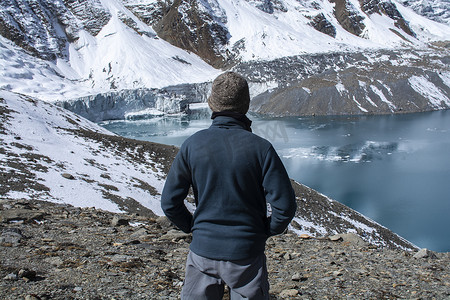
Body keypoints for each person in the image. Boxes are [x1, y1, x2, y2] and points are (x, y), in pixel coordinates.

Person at [161, 72, 297, 300]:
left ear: (211, 104)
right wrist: (264, 231)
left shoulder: (192, 145)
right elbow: (285, 206)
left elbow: (169, 202)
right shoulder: (261, 148)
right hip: (246, 255)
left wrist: (194, 227)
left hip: (202, 252)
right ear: (246, 105)